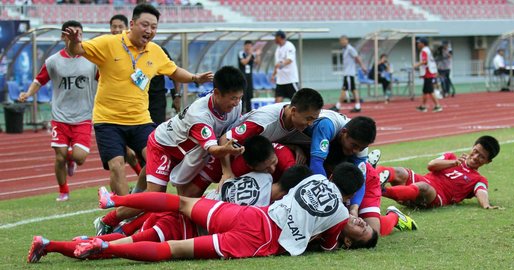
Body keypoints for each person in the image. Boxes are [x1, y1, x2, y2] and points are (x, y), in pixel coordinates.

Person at [71, 163, 376, 262]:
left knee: (179, 204)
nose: (357, 220)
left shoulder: (313, 177)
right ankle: (107, 244)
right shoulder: (338, 218)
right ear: (349, 195)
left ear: (333, 176)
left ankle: (115, 202)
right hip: (261, 236)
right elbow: (327, 244)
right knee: (172, 247)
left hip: (251, 215)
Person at [63, 3, 213, 196]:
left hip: (140, 120)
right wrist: (73, 41)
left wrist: (195, 78)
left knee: (156, 161)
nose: (149, 31)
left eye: (154, 27)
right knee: (117, 165)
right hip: (108, 120)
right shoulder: (109, 43)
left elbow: (174, 71)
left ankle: (136, 197)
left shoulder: (156, 51)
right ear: (132, 24)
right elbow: (77, 50)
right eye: (145, 25)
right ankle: (123, 214)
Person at [27, 165, 309, 264]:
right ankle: (98, 242)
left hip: (193, 209)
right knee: (121, 247)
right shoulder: (274, 211)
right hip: (181, 228)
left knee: (174, 202)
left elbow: (224, 183)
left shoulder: (258, 178)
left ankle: (113, 203)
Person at [93, 66, 244, 235]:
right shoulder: (200, 115)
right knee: (156, 198)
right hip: (164, 146)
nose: (236, 103)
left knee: (183, 200)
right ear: (217, 93)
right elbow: (215, 150)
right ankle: (108, 220)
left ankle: (129, 223)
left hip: (189, 153)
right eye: (233, 98)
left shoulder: (236, 106)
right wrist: (227, 150)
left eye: (239, 98)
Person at [18, 20, 98, 202]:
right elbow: (39, 80)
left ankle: (72, 161)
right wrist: (27, 93)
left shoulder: (92, 60)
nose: (76, 36)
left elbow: (106, 79)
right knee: (59, 156)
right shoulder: (53, 61)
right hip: (60, 116)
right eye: (71, 33)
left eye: (79, 33)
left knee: (79, 158)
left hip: (83, 116)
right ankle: (63, 190)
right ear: (63, 36)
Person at [378, 136, 502, 209]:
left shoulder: (478, 179)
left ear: (488, 161)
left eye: (481, 157)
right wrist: (453, 163)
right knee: (400, 171)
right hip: (422, 179)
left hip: (436, 196)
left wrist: (486, 205)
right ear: (472, 147)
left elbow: (481, 191)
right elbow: (431, 165)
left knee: (423, 187)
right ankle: (371, 175)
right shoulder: (450, 157)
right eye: (475, 151)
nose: (475, 157)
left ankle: (380, 190)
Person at [108, 13, 144, 177]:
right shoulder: (106, 48)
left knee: (132, 154)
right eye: (113, 27)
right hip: (110, 114)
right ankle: (124, 193)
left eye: (119, 27)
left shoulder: (139, 49)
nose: (116, 30)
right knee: (118, 159)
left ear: (127, 28)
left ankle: (139, 185)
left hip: (134, 112)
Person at [330, 35, 367, 113]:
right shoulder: (345, 49)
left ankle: (338, 106)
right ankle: (357, 106)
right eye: (341, 41)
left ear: (347, 40)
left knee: (345, 89)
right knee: (353, 90)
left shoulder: (350, 49)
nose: (342, 42)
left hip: (349, 74)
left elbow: (357, 57)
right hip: (348, 73)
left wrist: (363, 67)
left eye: (343, 40)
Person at [414, 37, 442, 113]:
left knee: (429, 90)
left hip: (428, 73)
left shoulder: (424, 51)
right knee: (425, 91)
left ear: (423, 44)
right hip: (428, 72)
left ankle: (437, 105)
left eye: (419, 43)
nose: (417, 44)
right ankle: (423, 106)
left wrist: (416, 65)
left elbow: (424, 62)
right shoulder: (427, 50)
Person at [271, 30, 299, 103]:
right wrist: (273, 75)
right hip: (280, 81)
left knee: (296, 101)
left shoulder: (289, 46)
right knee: (277, 102)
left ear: (280, 37)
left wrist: (281, 64)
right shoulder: (278, 49)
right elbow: (276, 64)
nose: (274, 39)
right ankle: (278, 114)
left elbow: (289, 60)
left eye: (275, 37)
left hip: (290, 79)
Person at [238, 40, 260, 113]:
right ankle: (240, 113)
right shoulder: (241, 53)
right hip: (242, 78)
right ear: (244, 46)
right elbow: (244, 62)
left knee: (249, 96)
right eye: (247, 46)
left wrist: (258, 55)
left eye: (250, 46)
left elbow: (257, 63)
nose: (248, 48)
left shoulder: (252, 55)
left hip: (249, 78)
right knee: (242, 96)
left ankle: (249, 113)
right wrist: (250, 54)